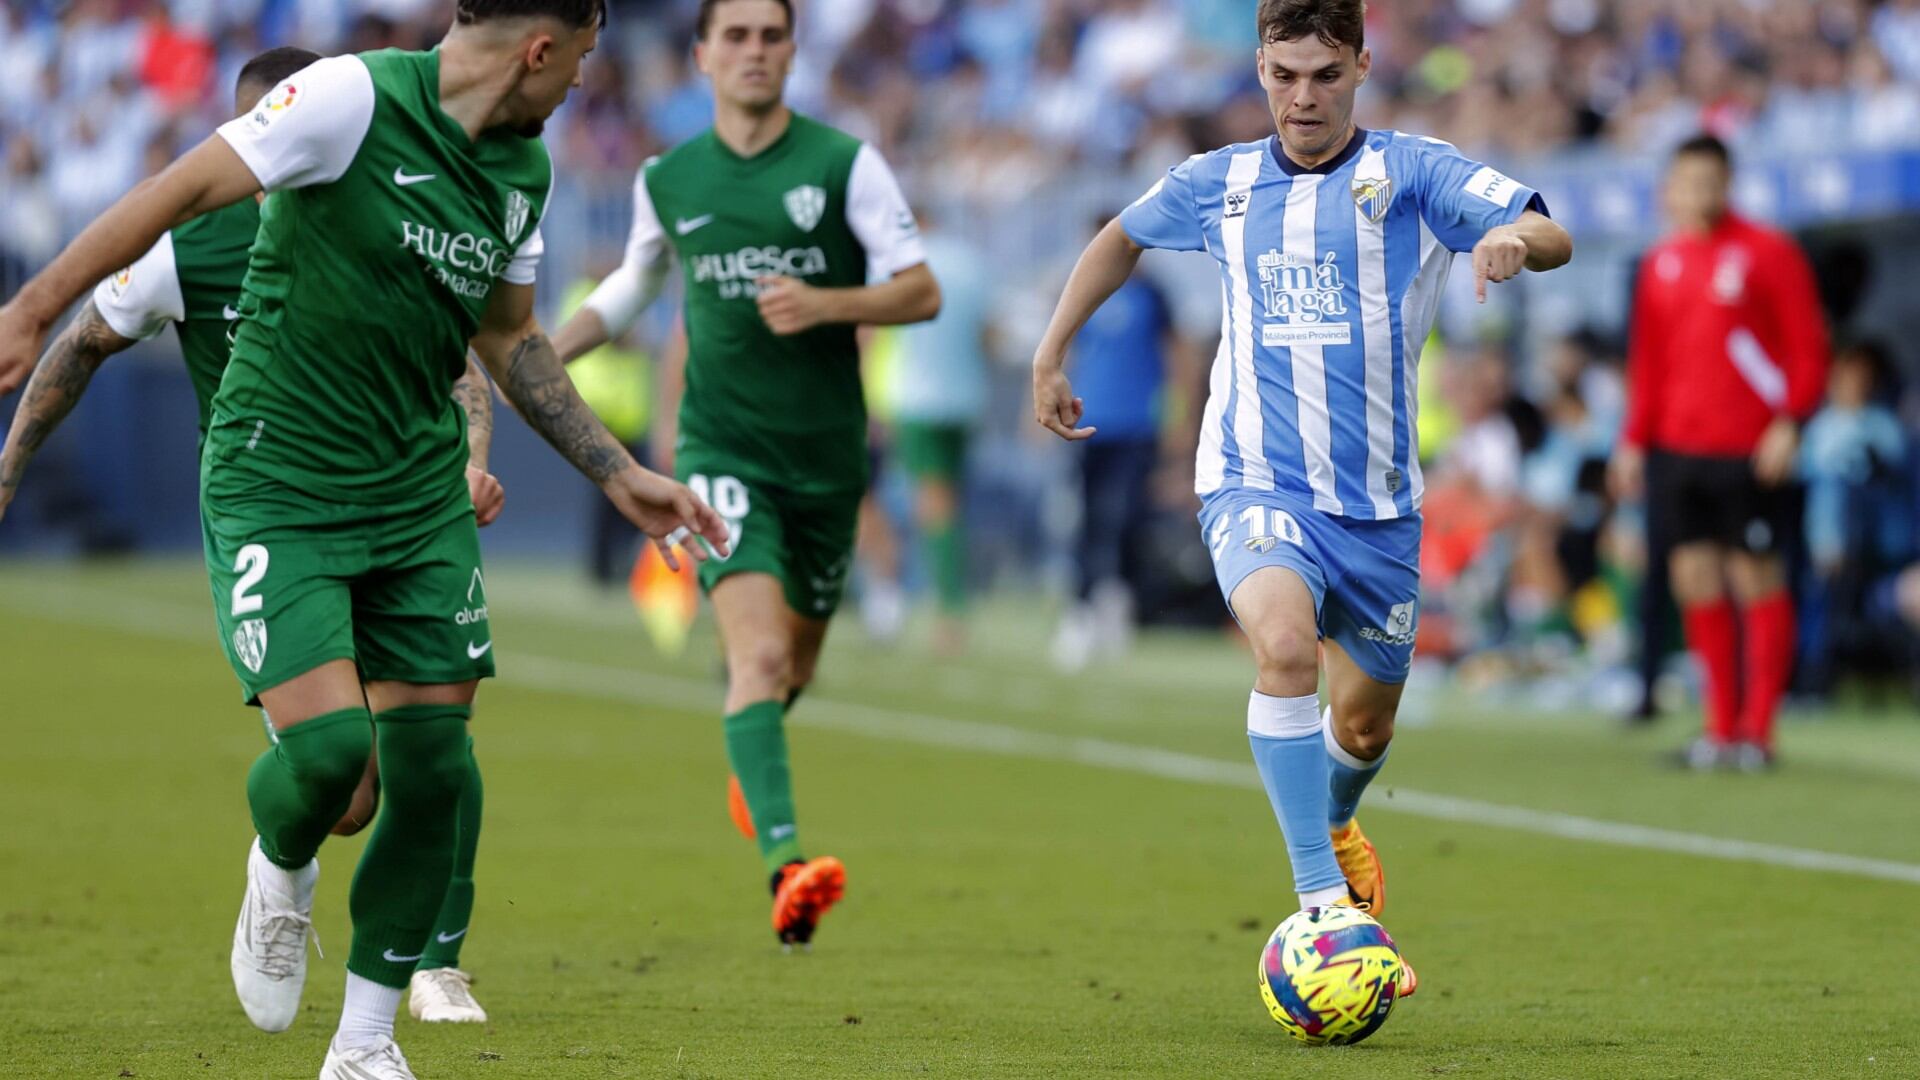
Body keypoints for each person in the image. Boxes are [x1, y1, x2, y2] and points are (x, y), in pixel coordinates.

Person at [0, 3, 730, 1076]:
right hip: (278, 481)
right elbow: (180, 192)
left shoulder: (522, 172)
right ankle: (279, 863)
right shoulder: (349, 97)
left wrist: (619, 473)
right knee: (335, 760)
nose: (583, 81)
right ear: (539, 49)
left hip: (416, 493)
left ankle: (364, 1045)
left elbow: (509, 337)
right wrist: (32, 307)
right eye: (580, 56)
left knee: (431, 766)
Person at [1031, 0, 1570, 998]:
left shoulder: (1414, 172)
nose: (1303, 97)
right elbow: (1119, 237)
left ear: (1361, 65)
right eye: (1284, 75)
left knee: (1364, 731)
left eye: (1324, 74)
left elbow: (1549, 228)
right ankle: (1322, 902)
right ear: (1260, 70)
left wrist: (1511, 241)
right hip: (1253, 479)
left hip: (1378, 509)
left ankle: (1335, 820)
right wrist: (1051, 348)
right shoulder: (1220, 181)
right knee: (1283, 650)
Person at [0, 47, 509, 1029]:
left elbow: (462, 367)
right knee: (346, 790)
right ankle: (282, 865)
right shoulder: (187, 247)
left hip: (402, 496)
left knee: (434, 732)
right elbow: (82, 345)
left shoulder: (382, 212)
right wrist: (10, 465)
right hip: (276, 509)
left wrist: (469, 459)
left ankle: (437, 962)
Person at [550, 0, 939, 948]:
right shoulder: (669, 177)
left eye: (771, 36)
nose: (754, 51)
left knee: (791, 667)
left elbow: (919, 289)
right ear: (702, 55)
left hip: (827, 464)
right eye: (736, 36)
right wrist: (539, 355)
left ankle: (751, 752)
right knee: (757, 658)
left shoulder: (844, 165)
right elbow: (633, 285)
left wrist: (827, 302)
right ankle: (787, 867)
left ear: (793, 51)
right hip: (722, 456)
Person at [1609, 133, 1828, 772]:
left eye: (1709, 180)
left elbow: (1808, 347)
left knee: (1755, 578)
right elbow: (1648, 363)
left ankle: (1758, 733)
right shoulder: (1661, 262)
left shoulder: (1769, 252)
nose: (1698, 192)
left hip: (1749, 449)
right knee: (1694, 580)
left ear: (1728, 183)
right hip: (1677, 449)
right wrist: (1632, 441)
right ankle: (1719, 729)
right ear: (1670, 188)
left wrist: (1791, 422)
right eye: (1687, 181)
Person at [1050, 214, 1189, 672]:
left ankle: (1120, 599)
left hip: (1137, 425)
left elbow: (1176, 354)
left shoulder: (1154, 294)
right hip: (1088, 422)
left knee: (1129, 517)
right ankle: (1081, 607)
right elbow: (1064, 350)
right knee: (1086, 517)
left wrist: (1178, 418)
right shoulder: (1082, 292)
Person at [888, 212, 991, 654]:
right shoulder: (971, 262)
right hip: (966, 399)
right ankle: (943, 602)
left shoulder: (904, 262)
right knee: (950, 505)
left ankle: (947, 610)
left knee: (934, 507)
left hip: (919, 400)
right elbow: (988, 334)